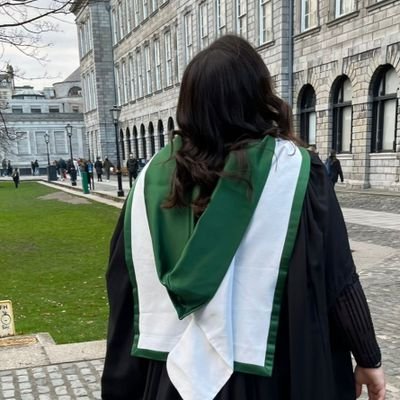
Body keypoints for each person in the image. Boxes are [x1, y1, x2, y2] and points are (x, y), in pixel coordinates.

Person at [102, 35, 385, 400]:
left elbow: (124, 290)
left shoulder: (149, 181)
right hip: (270, 375)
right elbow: (339, 277)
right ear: (258, 95)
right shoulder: (295, 172)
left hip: (169, 375)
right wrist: (368, 356)